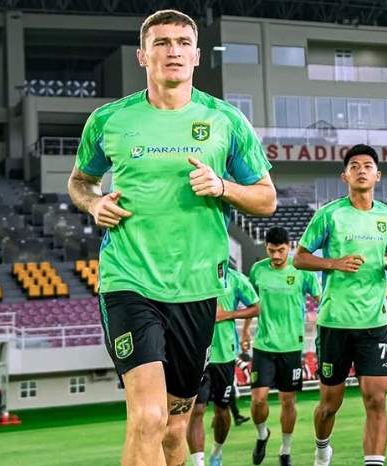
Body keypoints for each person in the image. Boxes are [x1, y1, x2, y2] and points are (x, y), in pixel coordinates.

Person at [66, 9, 275, 466]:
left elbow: (266, 199)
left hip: (197, 287)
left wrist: (223, 187)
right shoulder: (109, 119)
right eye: (161, 42)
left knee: (176, 429)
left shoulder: (226, 121)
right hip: (129, 280)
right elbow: (81, 181)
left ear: (197, 55)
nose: (173, 50)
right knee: (148, 417)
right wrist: (94, 202)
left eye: (182, 42)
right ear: (143, 55)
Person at [293, 144, 387, 466]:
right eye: (353, 166)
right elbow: (299, 258)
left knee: (376, 400)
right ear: (345, 176)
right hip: (335, 322)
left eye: (367, 165)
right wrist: (335, 262)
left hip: (374, 322)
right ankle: (322, 450)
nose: (361, 170)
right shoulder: (329, 215)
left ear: (377, 175)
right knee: (329, 404)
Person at [243, 226, 321, 466]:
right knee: (258, 400)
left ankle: (285, 451)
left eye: (280, 250)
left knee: (288, 401)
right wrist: (246, 330)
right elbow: (252, 302)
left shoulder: (303, 272)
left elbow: (321, 299)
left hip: (291, 346)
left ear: (290, 247)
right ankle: (262, 434)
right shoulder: (257, 270)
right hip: (264, 345)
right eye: (271, 251)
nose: (276, 256)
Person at [187, 267, 260, 466]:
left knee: (222, 411)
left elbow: (256, 307)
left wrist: (227, 314)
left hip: (225, 356)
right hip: (197, 355)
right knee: (197, 411)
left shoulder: (236, 279)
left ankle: (217, 452)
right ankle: (199, 463)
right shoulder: (192, 273)